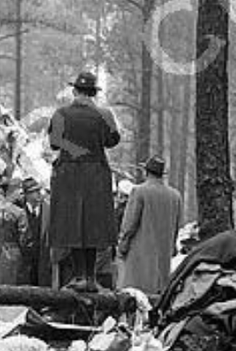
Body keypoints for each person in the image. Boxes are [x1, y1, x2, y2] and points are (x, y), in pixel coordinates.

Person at [47, 71, 120, 291]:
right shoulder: (105, 114)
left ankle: (79, 276)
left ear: (75, 91)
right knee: (93, 224)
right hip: (96, 173)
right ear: (93, 94)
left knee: (72, 224)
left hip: (69, 172)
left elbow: (53, 143)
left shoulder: (61, 114)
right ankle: (90, 277)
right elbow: (112, 140)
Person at [117, 154, 183, 298]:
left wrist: (123, 245)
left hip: (139, 260)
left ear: (146, 172)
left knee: (135, 299)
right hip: (163, 262)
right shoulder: (175, 196)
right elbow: (176, 227)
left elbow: (129, 225)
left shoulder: (139, 192)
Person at [0, 181, 29, 285]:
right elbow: (24, 239)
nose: (21, 195)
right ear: (12, 192)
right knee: (12, 288)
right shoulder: (19, 212)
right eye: (19, 192)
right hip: (13, 254)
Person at [19, 176, 52, 287]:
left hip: (44, 259)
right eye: (34, 192)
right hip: (25, 261)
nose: (38, 194)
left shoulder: (49, 210)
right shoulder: (18, 211)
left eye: (39, 190)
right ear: (26, 195)